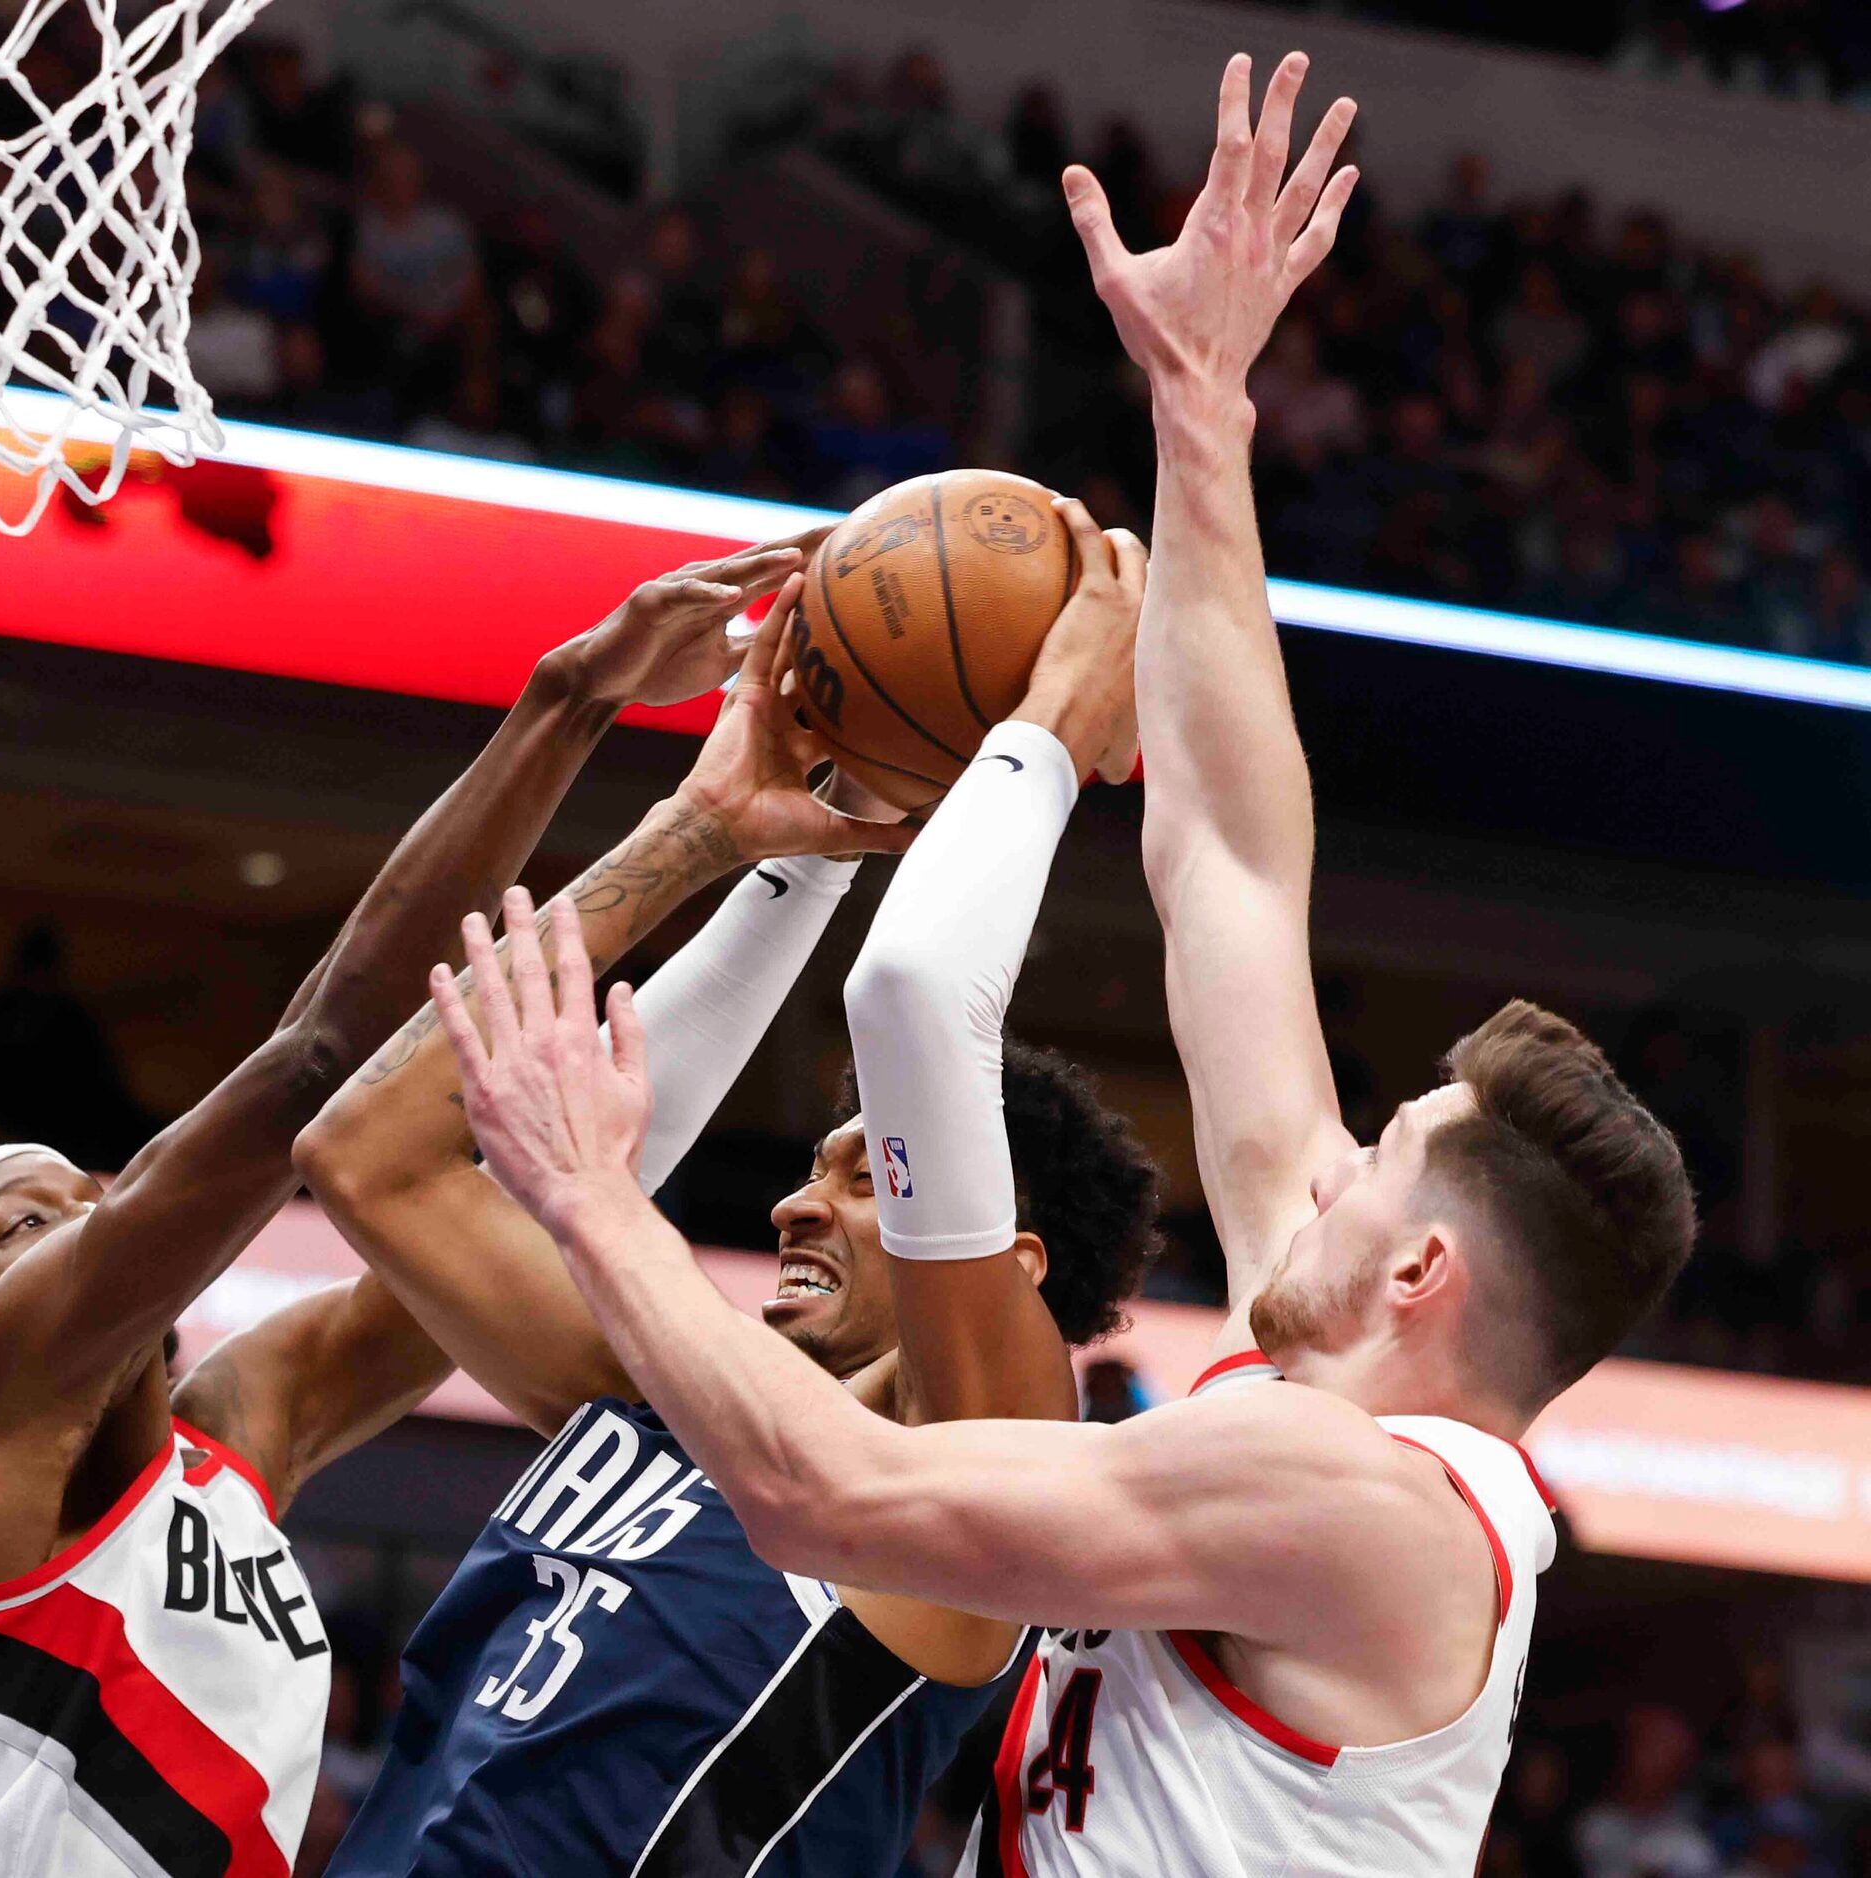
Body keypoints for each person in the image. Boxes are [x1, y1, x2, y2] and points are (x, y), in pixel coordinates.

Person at [435, 55, 1698, 1878]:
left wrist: (581, 1190)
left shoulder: (1368, 1504)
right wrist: (1203, 409)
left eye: (1371, 1161)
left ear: (1420, 1266)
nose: (1316, 1161)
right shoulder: (1329, 1375)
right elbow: (1233, 866)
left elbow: (826, 1491)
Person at [0, 538, 822, 1878]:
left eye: (99, 1189)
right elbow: (321, 1057)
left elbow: (566, 1195)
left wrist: (795, 860)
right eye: (31, 1223)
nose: (98, 1218)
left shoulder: (232, 1436)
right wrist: (571, 700)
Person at [293, 547, 1159, 1876]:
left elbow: (922, 986)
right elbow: (364, 1153)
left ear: (1007, 1257)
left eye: (868, 1177)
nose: (797, 1203)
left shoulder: (981, 1478)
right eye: (818, 1165)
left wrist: (1041, 735)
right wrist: (725, 832)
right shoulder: (665, 1400)